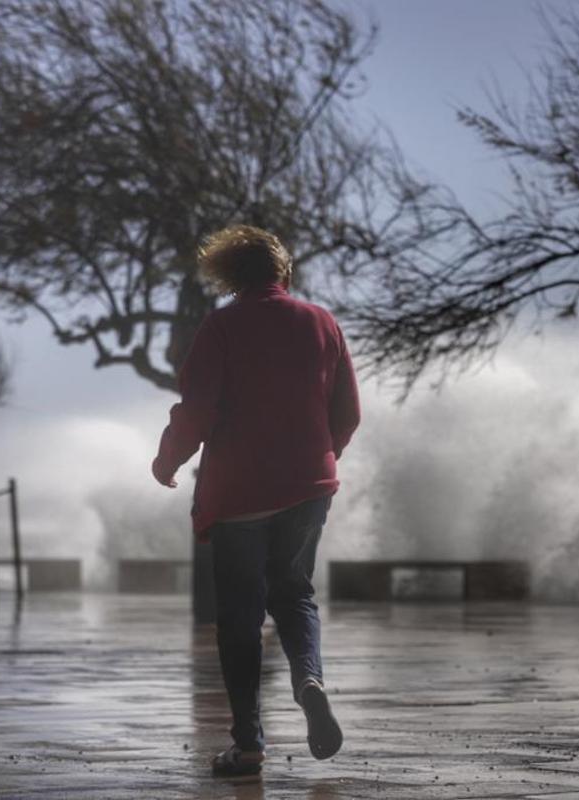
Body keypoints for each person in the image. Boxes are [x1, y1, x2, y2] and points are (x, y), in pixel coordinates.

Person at [150, 225, 361, 777]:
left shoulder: (220, 327)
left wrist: (168, 460)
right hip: (308, 487)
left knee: (239, 619)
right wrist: (317, 458)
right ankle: (309, 680)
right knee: (294, 595)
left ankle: (247, 746)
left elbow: (196, 411)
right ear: (283, 273)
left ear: (229, 279)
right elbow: (348, 413)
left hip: (239, 491)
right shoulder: (322, 322)